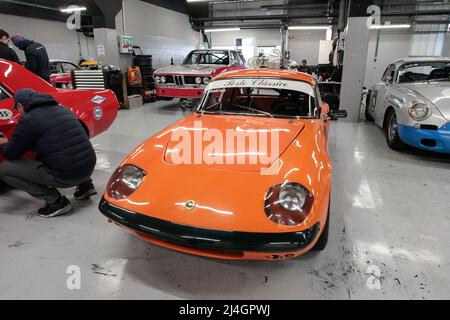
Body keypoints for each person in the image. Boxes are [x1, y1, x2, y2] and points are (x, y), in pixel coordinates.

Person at [0, 89, 97, 218]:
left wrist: (3, 143)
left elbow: (11, 153)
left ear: (20, 106)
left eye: (18, 110)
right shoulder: (63, 109)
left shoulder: (29, 119)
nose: (19, 114)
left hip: (66, 176)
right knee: (68, 148)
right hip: (89, 168)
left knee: (5, 169)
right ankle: (85, 186)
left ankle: (56, 201)